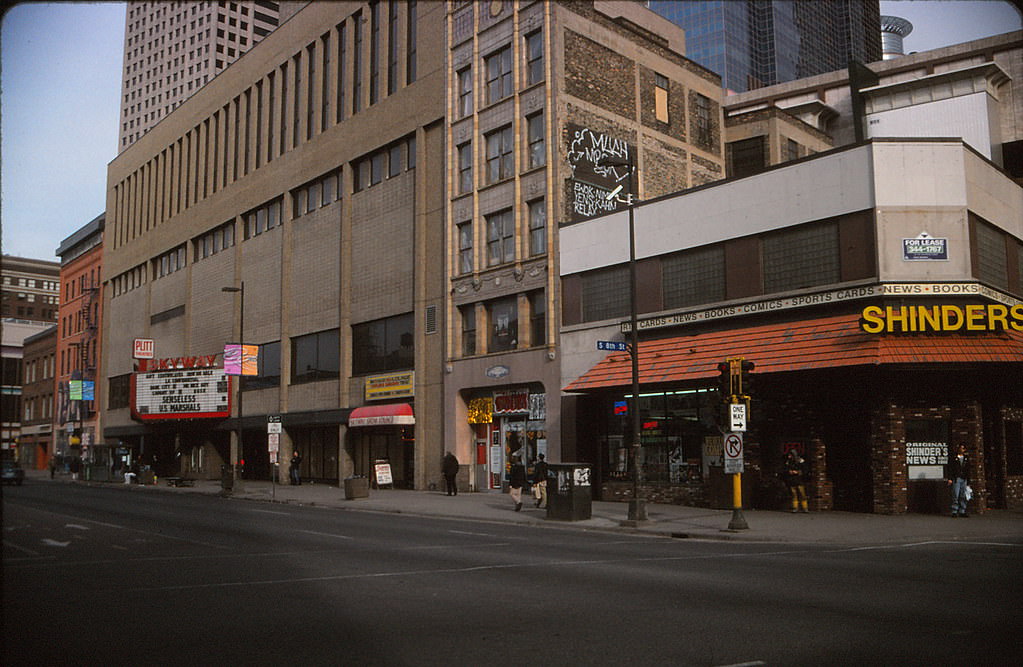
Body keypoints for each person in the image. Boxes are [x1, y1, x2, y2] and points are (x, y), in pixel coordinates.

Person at [946, 444, 971, 517]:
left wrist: (968, 481)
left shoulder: (966, 458)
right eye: (960, 448)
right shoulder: (954, 458)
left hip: (964, 478)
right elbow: (950, 469)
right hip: (957, 478)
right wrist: (950, 478)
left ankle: (962, 510)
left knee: (963, 495)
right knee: (955, 494)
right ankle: (954, 510)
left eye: (963, 449)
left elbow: (968, 470)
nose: (961, 450)